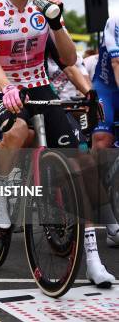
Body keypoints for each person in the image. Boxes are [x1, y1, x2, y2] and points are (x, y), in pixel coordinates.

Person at [0, 0, 114, 287]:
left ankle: (93, 260)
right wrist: (5, 87)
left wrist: (56, 23)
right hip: (9, 87)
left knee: (81, 165)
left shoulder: (45, 8)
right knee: (17, 132)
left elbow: (68, 61)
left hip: (41, 87)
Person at [90, 17, 119, 248]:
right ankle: (103, 209)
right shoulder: (115, 22)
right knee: (101, 142)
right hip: (107, 89)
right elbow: (118, 65)